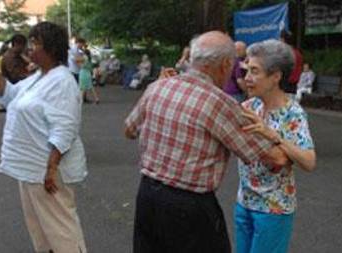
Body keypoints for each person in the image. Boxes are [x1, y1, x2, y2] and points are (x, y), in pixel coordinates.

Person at [124, 31, 289, 253]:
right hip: (189, 206)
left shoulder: (158, 87)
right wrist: (270, 133)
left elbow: (129, 130)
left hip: (147, 196)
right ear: (225, 65)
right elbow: (275, 159)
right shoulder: (219, 103)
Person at [0, 22, 88, 253]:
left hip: (48, 170)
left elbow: (65, 128)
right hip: (31, 167)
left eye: (35, 43)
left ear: (51, 48)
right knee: (41, 231)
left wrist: (51, 168)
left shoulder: (62, 81)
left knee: (62, 231)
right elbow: (10, 95)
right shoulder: (37, 77)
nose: (30, 48)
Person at [235, 39, 317, 253]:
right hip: (244, 202)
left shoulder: (293, 113)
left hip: (274, 208)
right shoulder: (248, 107)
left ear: (276, 76)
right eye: (247, 71)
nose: (247, 79)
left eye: (255, 72)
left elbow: (309, 161)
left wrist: (274, 136)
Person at [75, 38, 99, 104]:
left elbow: (77, 60)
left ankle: (81, 101)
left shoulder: (84, 57)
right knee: (90, 87)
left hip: (83, 73)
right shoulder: (89, 58)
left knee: (82, 87)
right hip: (88, 73)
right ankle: (96, 98)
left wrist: (78, 62)